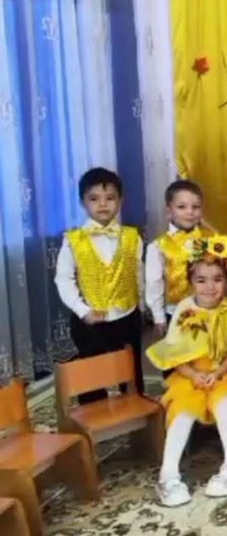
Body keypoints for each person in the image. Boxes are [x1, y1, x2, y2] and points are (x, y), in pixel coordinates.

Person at [146, 234, 227, 507]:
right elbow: (173, 353)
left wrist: (216, 373)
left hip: (223, 371)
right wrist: (193, 375)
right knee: (182, 411)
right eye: (201, 280)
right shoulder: (184, 309)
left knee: (223, 406)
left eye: (218, 279)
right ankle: (168, 475)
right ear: (191, 281)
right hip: (189, 372)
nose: (210, 287)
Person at [54, 167, 144, 404]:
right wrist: (82, 311)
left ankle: (135, 410)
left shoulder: (132, 237)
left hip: (127, 315)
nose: (103, 204)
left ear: (120, 201)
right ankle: (93, 414)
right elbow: (64, 278)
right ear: (83, 203)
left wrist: (142, 307)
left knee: (131, 371)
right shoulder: (73, 240)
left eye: (110, 198)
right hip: (90, 321)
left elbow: (138, 273)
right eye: (94, 199)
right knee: (91, 375)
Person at [145, 179, 214, 336]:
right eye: (182, 207)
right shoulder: (158, 246)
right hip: (176, 312)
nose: (190, 212)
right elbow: (154, 283)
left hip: (210, 308)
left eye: (195, 207)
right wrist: (158, 316)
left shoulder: (212, 240)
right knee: (180, 349)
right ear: (169, 211)